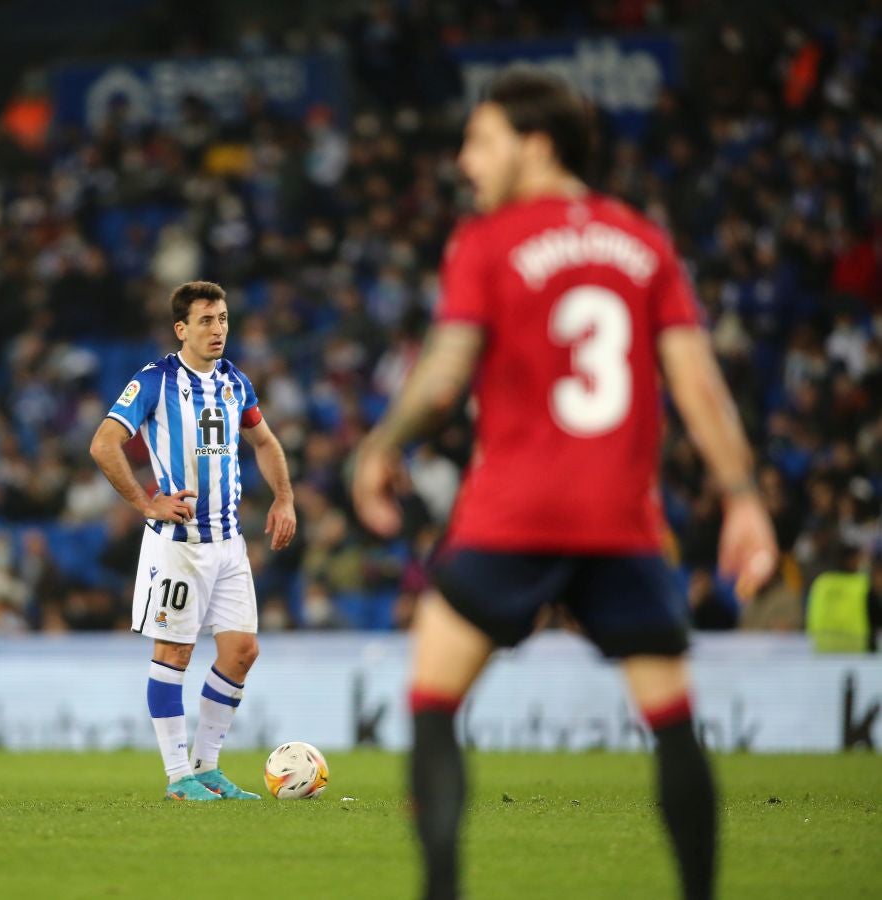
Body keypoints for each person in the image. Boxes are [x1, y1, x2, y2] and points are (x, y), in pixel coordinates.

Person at [352, 68, 777, 900]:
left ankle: (441, 892)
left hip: (512, 515)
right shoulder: (643, 241)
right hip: (620, 520)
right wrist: (745, 497)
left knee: (434, 694)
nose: (466, 161)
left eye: (481, 141)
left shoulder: (489, 240)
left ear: (535, 144)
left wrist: (381, 445)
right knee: (672, 720)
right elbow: (697, 386)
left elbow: (444, 374)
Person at [89, 280, 296, 801]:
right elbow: (104, 442)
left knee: (243, 651)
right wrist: (144, 502)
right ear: (182, 329)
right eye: (206, 320)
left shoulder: (234, 382)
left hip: (229, 543)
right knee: (174, 653)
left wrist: (284, 498)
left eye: (223, 318)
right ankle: (178, 778)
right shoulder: (156, 380)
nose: (218, 329)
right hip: (179, 543)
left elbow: (265, 442)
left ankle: (206, 767)